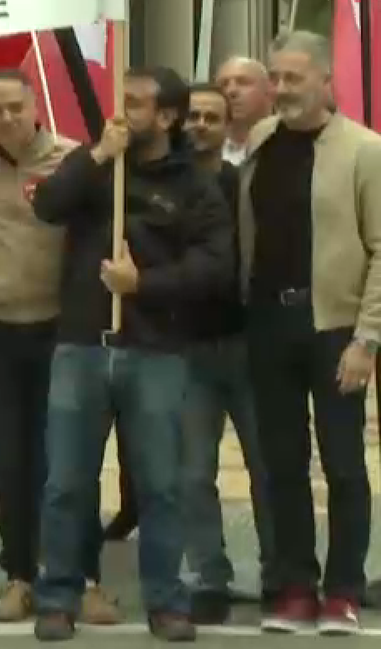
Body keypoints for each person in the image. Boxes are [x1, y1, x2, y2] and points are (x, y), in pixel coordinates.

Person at [29, 66, 233, 643]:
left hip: (155, 352)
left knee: (160, 485)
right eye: (123, 100)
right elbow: (46, 205)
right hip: (81, 347)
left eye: (137, 104)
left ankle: (166, 601)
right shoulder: (98, 169)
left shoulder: (194, 183)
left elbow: (214, 267)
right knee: (67, 483)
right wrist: (96, 155)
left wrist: (143, 284)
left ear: (167, 117)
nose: (123, 111)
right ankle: (59, 595)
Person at [0, 72, 123, 624]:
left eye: (15, 107)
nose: (6, 118)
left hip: (61, 331)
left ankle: (86, 580)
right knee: (10, 461)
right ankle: (20, 577)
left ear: (35, 107)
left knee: (69, 464)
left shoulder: (74, 160)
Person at [242, 32, 377, 636]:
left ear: (326, 81)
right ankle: (297, 586)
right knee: (283, 464)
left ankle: (343, 589)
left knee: (343, 465)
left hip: (334, 330)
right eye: (276, 77)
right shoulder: (261, 141)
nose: (282, 89)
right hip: (269, 325)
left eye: (294, 78)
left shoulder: (364, 151)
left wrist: (365, 340)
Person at [177, 84, 273, 624]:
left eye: (212, 117)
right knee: (193, 473)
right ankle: (209, 576)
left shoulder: (241, 183)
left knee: (267, 466)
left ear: (225, 123)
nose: (201, 125)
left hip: (247, 345)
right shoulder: (162, 182)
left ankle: (279, 571)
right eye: (193, 116)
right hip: (187, 349)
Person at [215, 57, 273, 165]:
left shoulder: (290, 144)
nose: (231, 91)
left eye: (243, 82)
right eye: (223, 84)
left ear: (269, 90)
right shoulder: (206, 152)